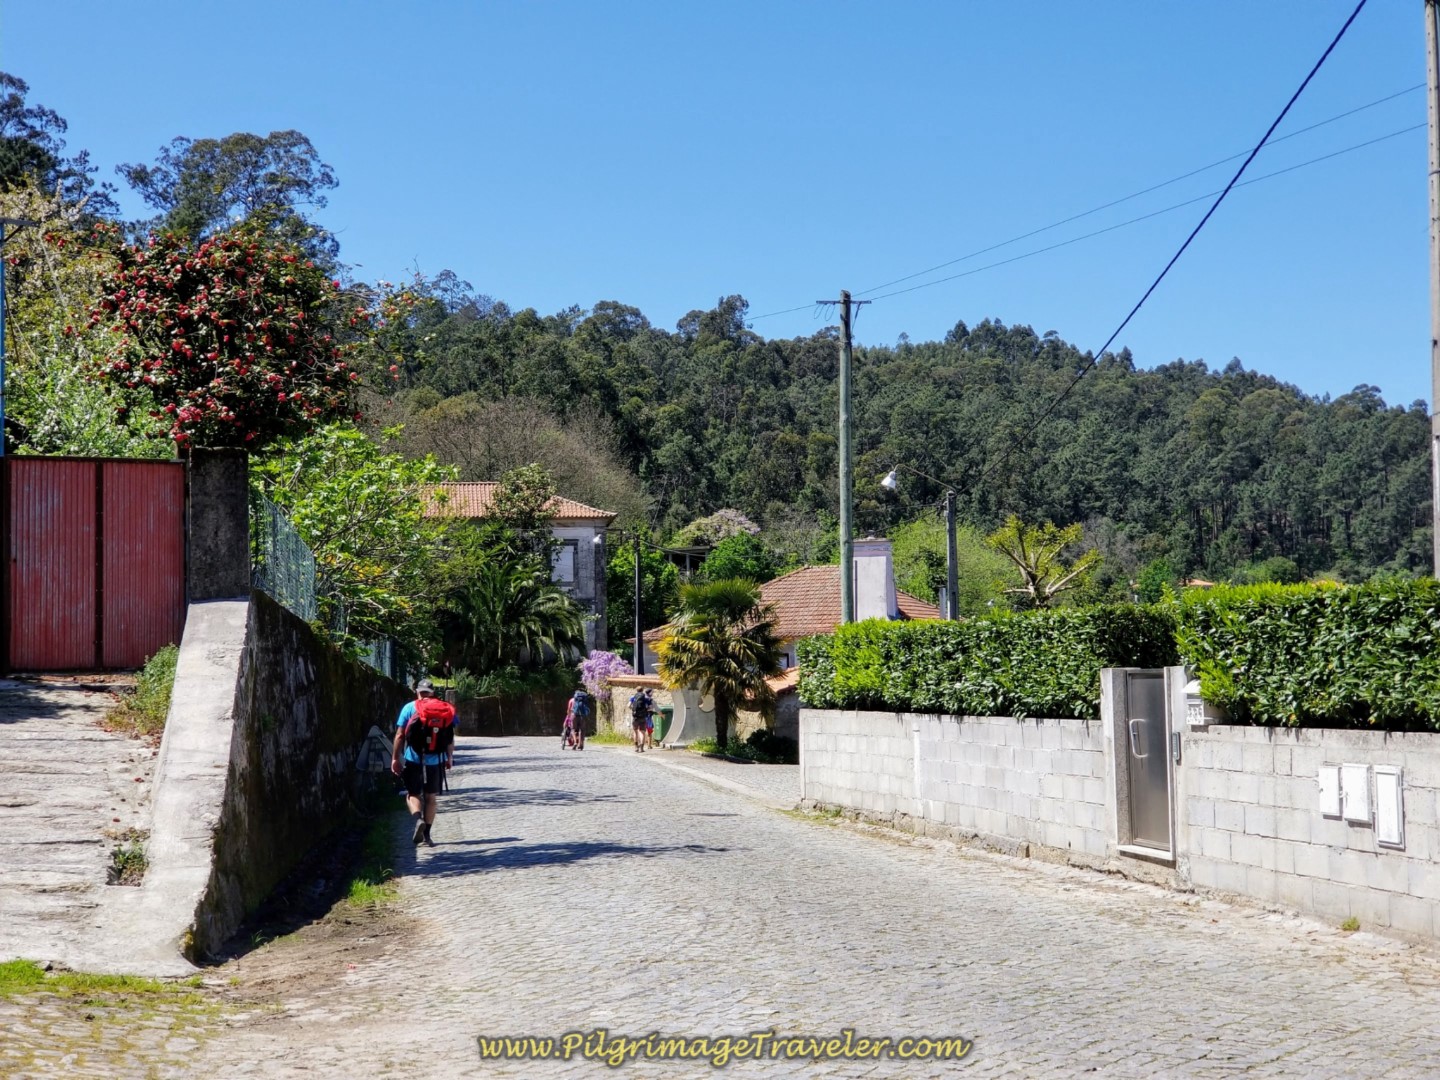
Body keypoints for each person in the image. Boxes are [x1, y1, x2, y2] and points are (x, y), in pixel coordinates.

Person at [391, 678, 455, 847]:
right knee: (431, 797)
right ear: (433, 693)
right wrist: (449, 757)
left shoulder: (409, 708)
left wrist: (395, 758)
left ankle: (418, 819)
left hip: (414, 758)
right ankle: (427, 835)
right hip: (436, 760)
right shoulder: (444, 708)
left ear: (417, 692)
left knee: (413, 794)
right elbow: (449, 737)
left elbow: (400, 735)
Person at [628, 687, 653, 753]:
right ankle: (641, 748)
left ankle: (636, 747)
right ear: (642, 691)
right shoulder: (646, 698)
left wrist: (633, 709)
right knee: (642, 732)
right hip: (643, 717)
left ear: (636, 690)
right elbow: (650, 708)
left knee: (635, 731)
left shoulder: (633, 697)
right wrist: (646, 710)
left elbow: (628, 706)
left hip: (635, 717)